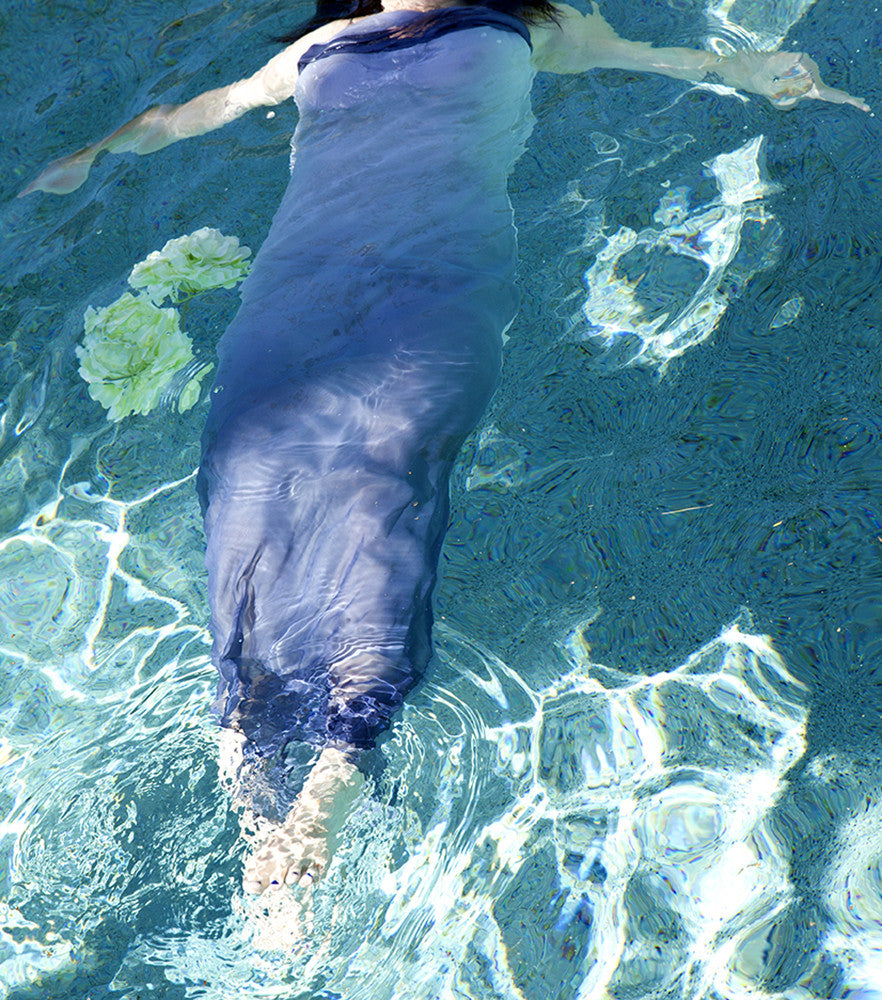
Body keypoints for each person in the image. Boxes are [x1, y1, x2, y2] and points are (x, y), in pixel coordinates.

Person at [22, 0, 867, 900]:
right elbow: (194, 113)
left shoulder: (526, 25)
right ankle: (247, 760)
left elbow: (663, 58)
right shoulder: (316, 49)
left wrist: (771, 72)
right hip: (296, 291)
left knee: (381, 481)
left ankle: (337, 770)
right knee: (247, 485)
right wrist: (91, 158)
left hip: (435, 288)